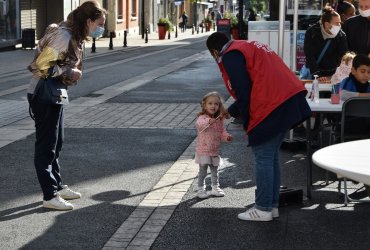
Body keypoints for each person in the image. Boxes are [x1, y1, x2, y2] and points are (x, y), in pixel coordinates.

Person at [206, 32, 311, 221]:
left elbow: (244, 90)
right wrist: (232, 110)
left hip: (272, 105)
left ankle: (263, 208)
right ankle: (272, 206)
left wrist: (241, 117)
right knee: (270, 158)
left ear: (215, 52)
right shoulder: (247, 46)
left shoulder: (230, 55)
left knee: (263, 156)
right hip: (288, 99)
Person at [27, 1, 107, 211]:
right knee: (46, 146)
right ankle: (49, 195)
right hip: (43, 92)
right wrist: (70, 73)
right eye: (100, 23)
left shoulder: (74, 35)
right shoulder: (64, 36)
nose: (101, 28)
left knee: (57, 142)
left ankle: (57, 186)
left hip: (55, 92)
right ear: (89, 21)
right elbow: (40, 65)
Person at [195, 92, 233, 199]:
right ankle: (200, 189)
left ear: (219, 106)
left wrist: (227, 137)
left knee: (215, 170)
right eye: (210, 103)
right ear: (205, 105)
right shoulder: (202, 117)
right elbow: (199, 124)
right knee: (203, 171)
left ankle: (215, 188)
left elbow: (222, 132)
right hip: (203, 150)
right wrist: (208, 121)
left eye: (216, 104)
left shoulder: (219, 119)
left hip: (214, 150)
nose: (213, 106)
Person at [303, 5, 348, 81]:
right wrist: (317, 75)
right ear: (327, 24)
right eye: (336, 23)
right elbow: (310, 55)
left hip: (332, 74)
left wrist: (335, 76)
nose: (339, 26)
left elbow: (343, 57)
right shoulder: (312, 32)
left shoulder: (341, 35)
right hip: (314, 73)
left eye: (340, 23)